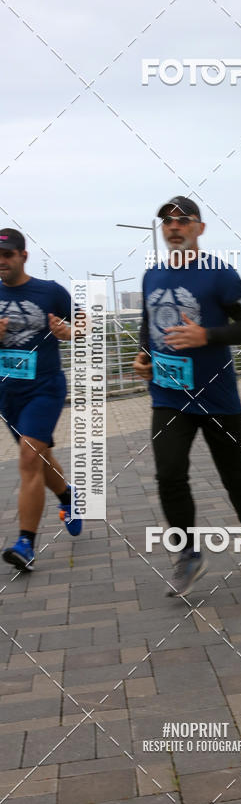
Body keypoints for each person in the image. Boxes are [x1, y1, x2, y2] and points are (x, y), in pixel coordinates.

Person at [133, 197, 241, 597]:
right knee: (169, 472)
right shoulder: (151, 276)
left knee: (234, 473)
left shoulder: (219, 274)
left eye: (183, 220)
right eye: (167, 221)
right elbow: (148, 325)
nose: (174, 226)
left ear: (200, 228)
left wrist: (207, 335)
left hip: (216, 397)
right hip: (168, 395)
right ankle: (188, 553)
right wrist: (144, 356)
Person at [0, 228, 81, 573]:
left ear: (23, 256)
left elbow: (82, 320)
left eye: (7, 255)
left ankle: (25, 544)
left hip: (45, 388)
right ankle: (68, 497)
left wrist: (69, 330)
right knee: (40, 457)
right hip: (7, 392)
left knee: (29, 457)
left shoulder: (49, 292)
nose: (1, 262)